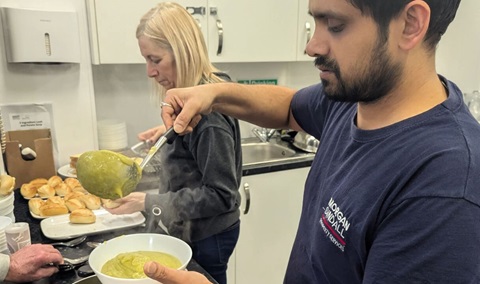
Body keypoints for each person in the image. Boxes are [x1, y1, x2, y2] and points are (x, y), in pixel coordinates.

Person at [150, 0, 480, 283]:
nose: (313, 46)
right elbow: (289, 107)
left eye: (335, 25)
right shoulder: (353, 100)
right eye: (314, 22)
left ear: (410, 24)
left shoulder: (444, 189)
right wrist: (213, 93)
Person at [105, 3, 242, 284]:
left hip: (208, 236)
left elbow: (222, 195)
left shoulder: (209, 118)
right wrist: (170, 137)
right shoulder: (195, 96)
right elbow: (195, 148)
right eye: (146, 59)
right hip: (192, 230)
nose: (149, 72)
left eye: (155, 59)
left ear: (182, 52)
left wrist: (147, 202)